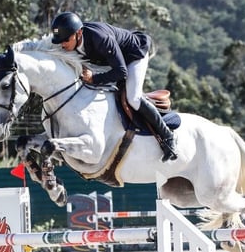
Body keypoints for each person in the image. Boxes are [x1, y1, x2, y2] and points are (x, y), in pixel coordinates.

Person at [50, 12, 178, 162]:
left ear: (79, 33)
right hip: (112, 62)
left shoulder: (100, 39)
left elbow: (121, 72)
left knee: (133, 98)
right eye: (60, 41)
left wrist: (94, 78)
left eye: (66, 40)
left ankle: (168, 136)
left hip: (134, 55)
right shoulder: (69, 43)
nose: (63, 44)